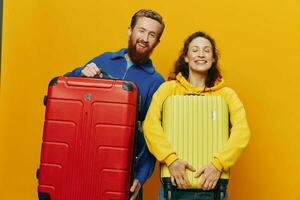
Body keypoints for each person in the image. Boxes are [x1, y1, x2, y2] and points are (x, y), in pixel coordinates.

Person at [65, 9, 165, 200]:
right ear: (130, 31)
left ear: (157, 42)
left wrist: (141, 177)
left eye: (152, 35)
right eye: (141, 30)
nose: (144, 38)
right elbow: (64, 90)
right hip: (84, 160)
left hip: (123, 172)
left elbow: (154, 133)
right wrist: (81, 73)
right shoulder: (104, 60)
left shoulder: (156, 82)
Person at [143, 31, 251, 199]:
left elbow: (242, 132)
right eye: (195, 50)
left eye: (207, 50)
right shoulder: (167, 90)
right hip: (173, 182)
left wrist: (218, 164)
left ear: (213, 59)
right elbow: (150, 126)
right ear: (186, 57)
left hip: (214, 185)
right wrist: (171, 160)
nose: (201, 54)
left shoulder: (227, 95)